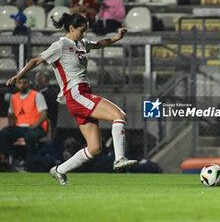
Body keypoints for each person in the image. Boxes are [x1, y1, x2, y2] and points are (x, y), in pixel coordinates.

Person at [6, 13, 137, 185]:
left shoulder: (81, 43)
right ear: (71, 28)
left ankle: (59, 170)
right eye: (82, 31)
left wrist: (116, 37)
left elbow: (98, 44)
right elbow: (36, 60)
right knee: (119, 115)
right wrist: (19, 75)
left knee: (94, 148)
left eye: (86, 31)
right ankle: (119, 158)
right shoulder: (60, 45)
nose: (85, 35)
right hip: (76, 94)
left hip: (81, 96)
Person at [0, 75, 48, 165]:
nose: (22, 85)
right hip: (20, 127)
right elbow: (10, 114)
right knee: (2, 134)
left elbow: (44, 114)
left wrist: (36, 124)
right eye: (19, 83)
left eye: (25, 82)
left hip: (35, 127)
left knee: (29, 137)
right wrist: (12, 125)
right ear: (16, 85)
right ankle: (15, 157)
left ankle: (29, 161)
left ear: (28, 83)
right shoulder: (14, 98)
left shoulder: (36, 95)